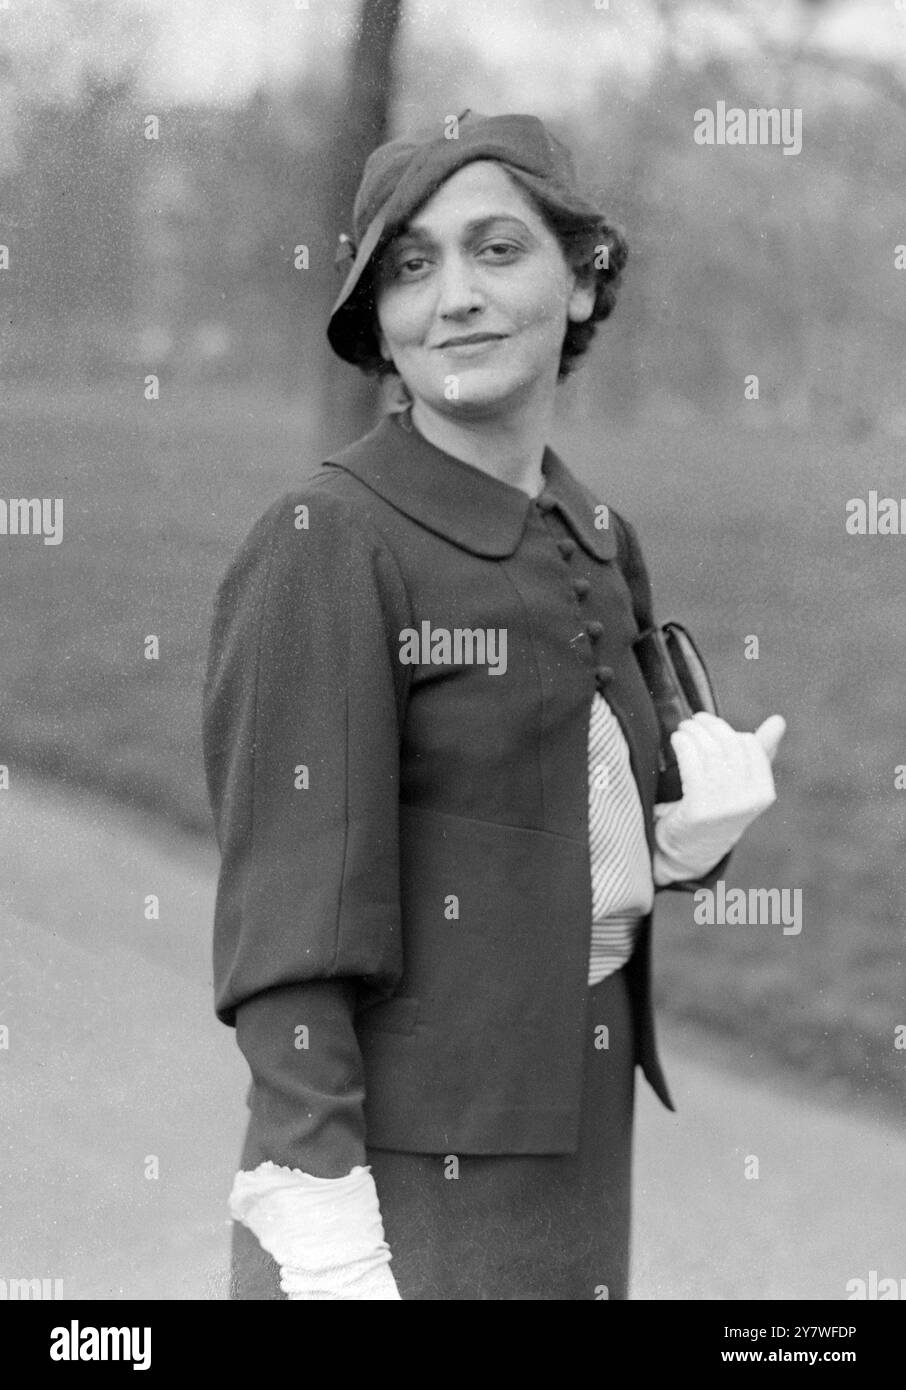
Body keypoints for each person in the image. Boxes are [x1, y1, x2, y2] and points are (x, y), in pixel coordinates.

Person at [202, 111, 786, 1301]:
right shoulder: (329, 544)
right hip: (405, 1182)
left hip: (581, 1141)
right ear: (379, 320)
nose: (453, 296)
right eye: (411, 265)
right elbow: (290, 927)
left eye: (497, 250)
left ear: (580, 283)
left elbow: (547, 807)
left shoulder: (597, 534)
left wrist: (681, 848)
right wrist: (321, 1229)